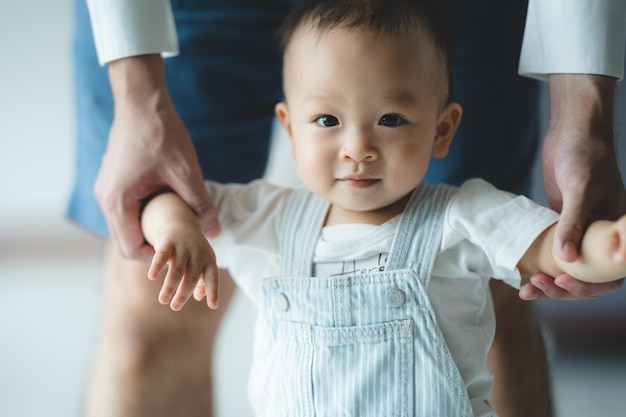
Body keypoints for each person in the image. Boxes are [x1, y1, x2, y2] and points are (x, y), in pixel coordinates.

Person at [70, 0, 626, 416]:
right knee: (146, 314)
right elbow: (172, 197)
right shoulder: (270, 217)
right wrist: (175, 229)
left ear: (442, 128)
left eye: (389, 120)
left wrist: (607, 244)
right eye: (327, 121)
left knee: (504, 316)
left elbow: (558, 245)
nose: (356, 147)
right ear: (290, 127)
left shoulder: (467, 213)